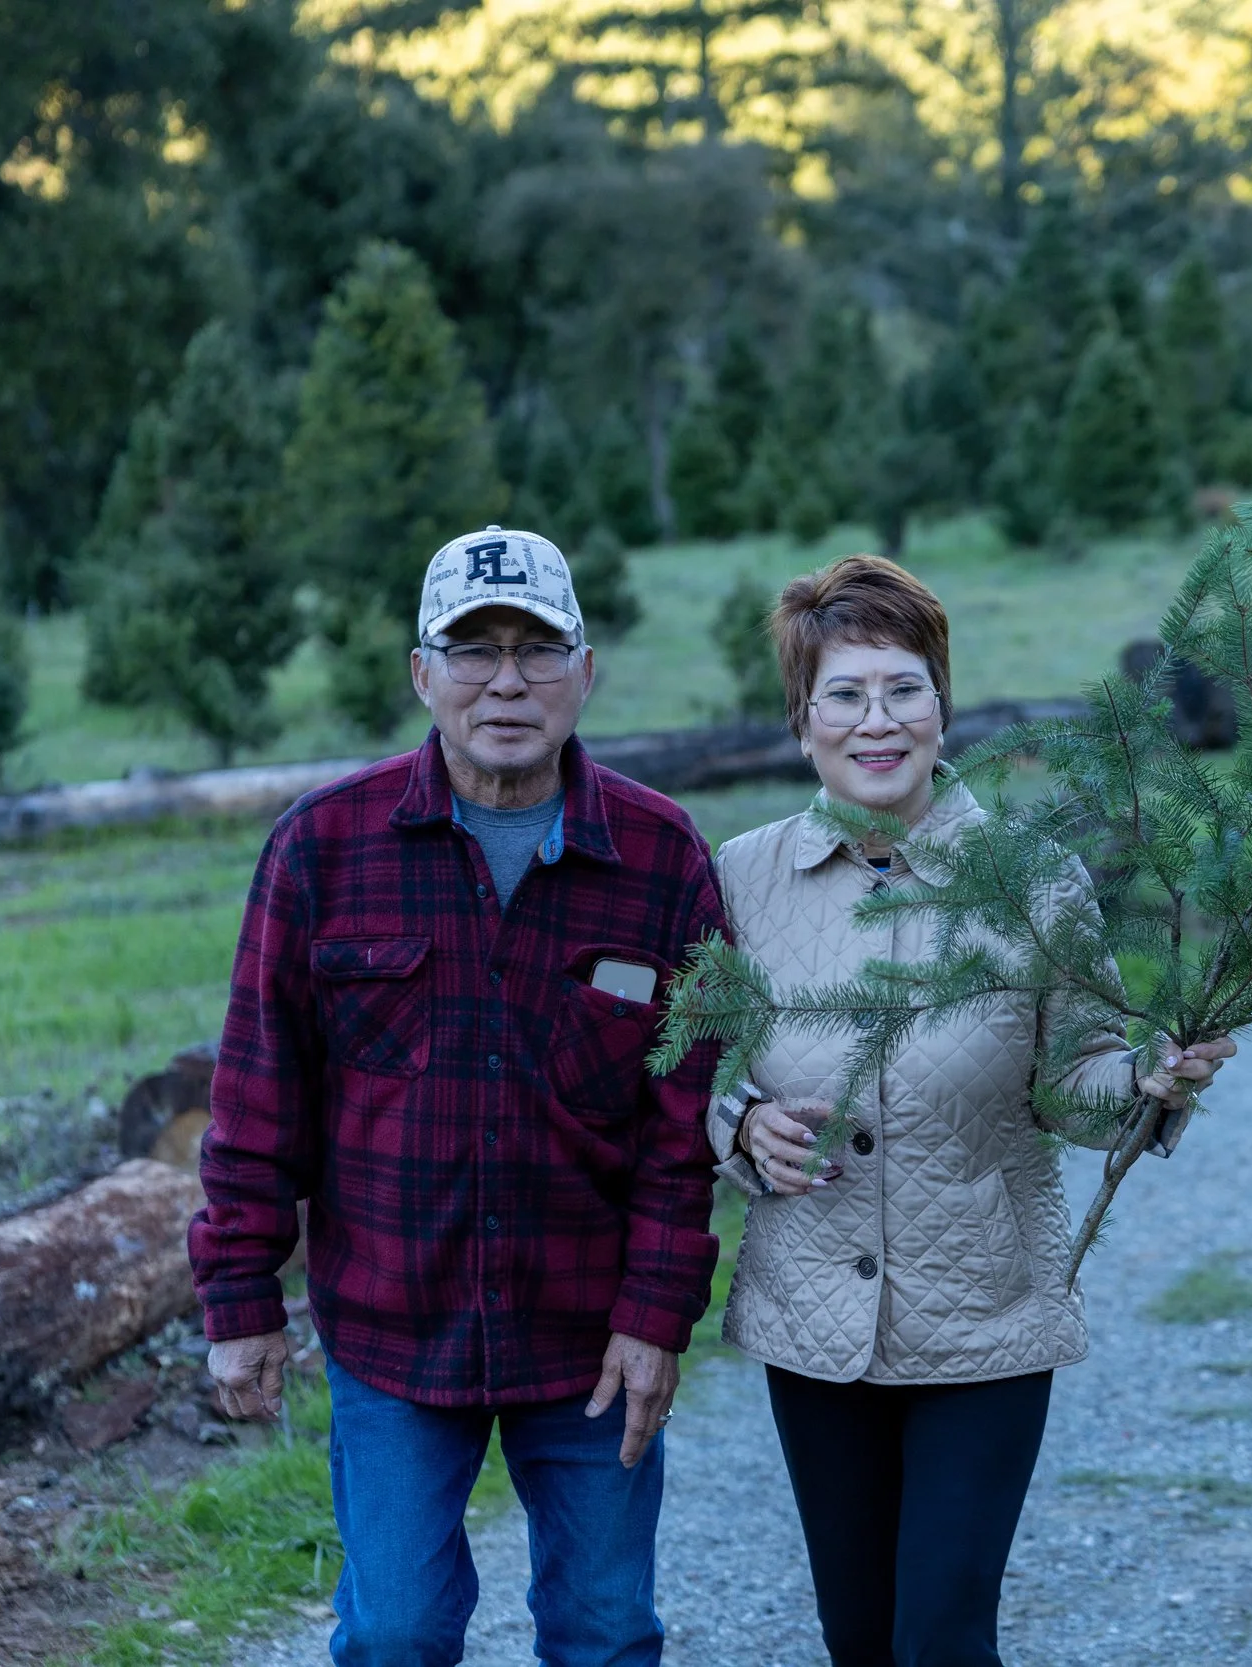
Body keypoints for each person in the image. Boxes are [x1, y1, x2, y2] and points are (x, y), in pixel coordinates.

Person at [189, 526, 726, 1667]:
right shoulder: (321, 851)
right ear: (420, 673)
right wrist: (237, 1298)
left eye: (539, 648)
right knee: (395, 1633)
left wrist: (655, 1314)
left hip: (591, 1333)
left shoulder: (662, 858)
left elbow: (682, 1131)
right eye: (473, 649)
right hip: (394, 1327)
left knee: (604, 1629)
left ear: (588, 671)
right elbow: (255, 1102)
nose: (508, 680)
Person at [704, 555, 1235, 1667]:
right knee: (857, 1638)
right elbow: (694, 1068)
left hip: (985, 1312)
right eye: (843, 694)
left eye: (903, 687)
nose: (876, 720)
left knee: (941, 1638)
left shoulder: (1033, 878)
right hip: (814, 1320)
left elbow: (1077, 1075)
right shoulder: (739, 878)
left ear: (943, 706)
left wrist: (1144, 1078)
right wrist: (739, 1128)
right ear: (802, 719)